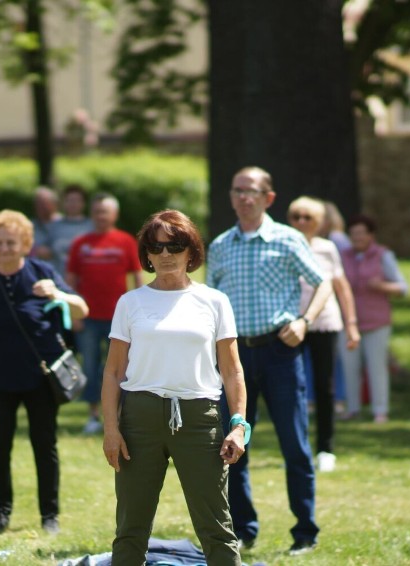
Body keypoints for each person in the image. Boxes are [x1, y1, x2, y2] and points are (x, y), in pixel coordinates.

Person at [102, 209, 248, 565]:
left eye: (175, 245)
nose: (166, 254)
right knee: (131, 527)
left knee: (215, 526)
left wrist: (239, 426)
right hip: (140, 418)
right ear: (147, 255)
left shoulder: (214, 301)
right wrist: (111, 428)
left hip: (200, 418)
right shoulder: (131, 302)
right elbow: (113, 371)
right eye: (157, 247)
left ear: (191, 251)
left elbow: (232, 371)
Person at [206, 166, 332, 555]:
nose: (244, 198)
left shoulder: (288, 239)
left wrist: (305, 321)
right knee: (233, 445)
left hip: (279, 352)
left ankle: (305, 533)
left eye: (253, 192)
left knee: (294, 445)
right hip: (235, 357)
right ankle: (243, 530)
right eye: (238, 190)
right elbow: (210, 302)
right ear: (231, 196)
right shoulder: (221, 245)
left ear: (268, 198)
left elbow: (323, 282)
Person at [0, 209, 89, 535]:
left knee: (44, 446)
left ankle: (49, 516)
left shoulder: (42, 272)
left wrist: (58, 294)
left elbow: (82, 309)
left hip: (40, 378)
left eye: (11, 242)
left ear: (25, 243)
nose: (5, 248)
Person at [287, 197, 360, 473]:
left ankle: (325, 448)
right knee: (292, 386)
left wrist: (351, 324)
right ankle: (298, 445)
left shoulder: (328, 248)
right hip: (292, 324)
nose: (302, 222)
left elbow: (341, 286)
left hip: (325, 323)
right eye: (296, 216)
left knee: (324, 386)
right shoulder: (286, 245)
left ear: (319, 222)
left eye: (308, 217)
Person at [66, 193, 143, 434]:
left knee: (120, 368)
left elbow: (137, 277)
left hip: (118, 318)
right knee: (90, 366)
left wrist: (139, 312)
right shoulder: (81, 243)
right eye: (97, 211)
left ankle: (120, 416)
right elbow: (70, 281)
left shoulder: (126, 242)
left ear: (114, 215)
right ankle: (92, 416)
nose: (100, 216)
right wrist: (73, 315)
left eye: (105, 211)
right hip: (88, 318)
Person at [339, 214, 407, 423]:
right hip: (348, 322)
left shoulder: (383, 255)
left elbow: (402, 288)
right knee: (349, 367)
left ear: (371, 235)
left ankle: (380, 411)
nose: (357, 237)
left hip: (377, 323)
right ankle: (353, 408)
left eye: (361, 233)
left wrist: (381, 286)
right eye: (353, 234)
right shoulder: (343, 256)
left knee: (376, 367)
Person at [45, 184, 93, 274]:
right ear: (63, 203)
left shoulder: (92, 226)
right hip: (59, 278)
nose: (73, 204)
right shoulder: (54, 226)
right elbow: (44, 250)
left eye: (76, 201)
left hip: (85, 279)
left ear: (84, 203)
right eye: (69, 200)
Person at [30, 187, 61, 261]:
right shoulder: (29, 226)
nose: (40, 207)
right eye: (38, 203)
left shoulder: (64, 224)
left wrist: (53, 252)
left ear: (55, 205)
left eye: (44, 203)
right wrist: (35, 251)